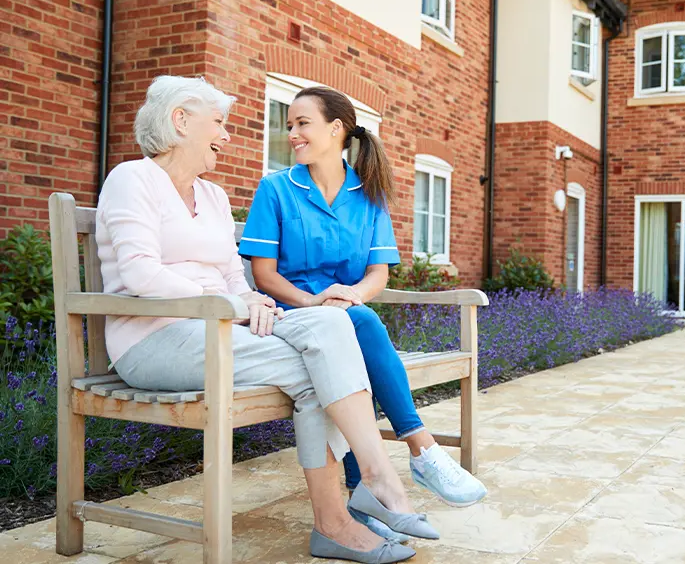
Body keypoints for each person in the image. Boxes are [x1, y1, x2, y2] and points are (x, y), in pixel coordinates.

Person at [97, 75, 434, 563]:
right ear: (180, 121)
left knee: (334, 325)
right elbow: (140, 273)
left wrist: (249, 301)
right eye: (219, 124)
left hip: (222, 329)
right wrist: (236, 306)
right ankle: (357, 503)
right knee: (320, 370)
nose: (228, 136)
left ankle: (365, 494)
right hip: (155, 339)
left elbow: (235, 274)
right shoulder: (133, 179)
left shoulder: (211, 196)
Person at [238, 86, 487, 539]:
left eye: (302, 123)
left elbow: (378, 274)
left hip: (345, 317)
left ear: (336, 129)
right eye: (289, 125)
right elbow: (264, 276)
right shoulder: (276, 188)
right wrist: (317, 302)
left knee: (354, 330)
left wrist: (350, 296)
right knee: (360, 326)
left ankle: (363, 498)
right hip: (291, 319)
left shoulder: (368, 194)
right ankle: (422, 450)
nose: (292, 133)